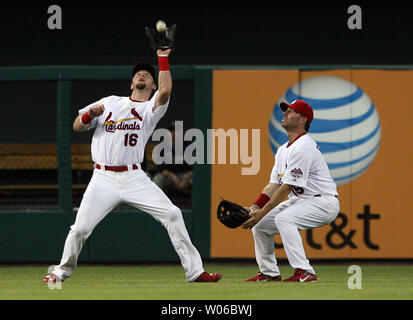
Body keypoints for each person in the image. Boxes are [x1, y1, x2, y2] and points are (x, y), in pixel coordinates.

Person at [43, 49, 221, 283]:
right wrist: (88, 117)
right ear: (131, 83)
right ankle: (59, 272)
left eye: (147, 75)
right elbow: (77, 125)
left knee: (173, 214)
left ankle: (195, 272)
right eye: (138, 74)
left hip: (134, 177)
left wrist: (163, 57)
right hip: (103, 178)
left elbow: (166, 91)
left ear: (152, 85)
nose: (142, 76)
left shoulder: (149, 110)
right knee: (79, 229)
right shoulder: (109, 103)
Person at [242, 99, 339, 282]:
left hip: (323, 202)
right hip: (302, 201)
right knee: (260, 225)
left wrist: (263, 211)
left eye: (291, 111)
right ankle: (269, 273)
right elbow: (274, 185)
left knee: (284, 218)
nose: (285, 113)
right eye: (285, 110)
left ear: (303, 120)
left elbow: (287, 187)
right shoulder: (283, 150)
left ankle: (305, 271)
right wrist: (256, 207)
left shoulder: (304, 146)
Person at [152, 121, 193, 199]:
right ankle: (157, 204)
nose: (174, 133)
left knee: (197, 179)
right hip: (169, 177)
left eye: (177, 131)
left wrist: (185, 179)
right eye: (172, 130)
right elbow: (161, 169)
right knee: (157, 179)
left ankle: (195, 204)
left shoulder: (187, 145)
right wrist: (173, 177)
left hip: (184, 175)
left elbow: (193, 168)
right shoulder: (162, 146)